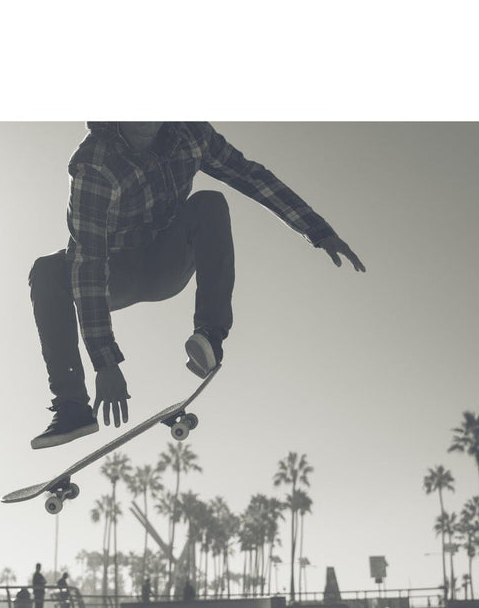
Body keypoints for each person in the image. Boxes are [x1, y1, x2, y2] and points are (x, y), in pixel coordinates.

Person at [28, 122, 366, 448]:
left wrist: (317, 229)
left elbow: (249, 175)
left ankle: (210, 336)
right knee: (46, 272)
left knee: (210, 203)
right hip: (112, 275)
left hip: (166, 264)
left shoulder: (189, 134)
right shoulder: (95, 163)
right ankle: (72, 406)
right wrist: (105, 362)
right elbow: (89, 264)